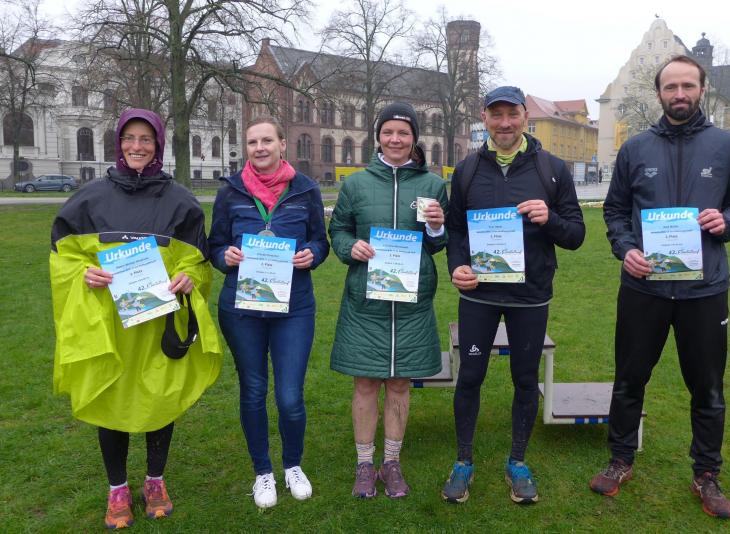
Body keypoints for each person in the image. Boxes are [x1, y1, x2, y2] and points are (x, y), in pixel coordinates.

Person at [589, 55, 730, 520]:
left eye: (688, 86)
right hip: (645, 288)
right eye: (671, 87)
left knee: (708, 388)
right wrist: (626, 249)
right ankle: (621, 459)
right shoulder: (636, 148)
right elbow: (615, 211)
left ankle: (706, 473)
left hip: (704, 289)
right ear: (659, 93)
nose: (679, 94)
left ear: (702, 89)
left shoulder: (726, 145)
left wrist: (726, 221)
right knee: (629, 379)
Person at [50, 109, 222, 529]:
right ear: (119, 143)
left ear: (158, 144)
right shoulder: (88, 200)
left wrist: (188, 277)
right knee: (112, 401)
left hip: (158, 325)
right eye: (130, 138)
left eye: (146, 139)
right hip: (109, 327)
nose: (137, 146)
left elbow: (198, 263)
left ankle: (155, 481)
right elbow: (63, 258)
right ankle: (118, 489)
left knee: (160, 398)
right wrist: (83, 273)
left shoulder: (180, 201)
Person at [442, 86, 585, 504]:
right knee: (470, 377)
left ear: (525, 117)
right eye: (496, 114)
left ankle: (517, 462)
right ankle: (463, 461)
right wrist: (457, 266)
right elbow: (455, 229)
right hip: (479, 296)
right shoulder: (467, 170)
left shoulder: (552, 169)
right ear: (484, 118)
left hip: (530, 296)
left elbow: (576, 234)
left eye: (512, 114)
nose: (504, 123)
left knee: (525, 378)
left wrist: (549, 218)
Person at [208, 116, 329, 509]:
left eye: (266, 141)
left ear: (282, 144)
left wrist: (313, 254)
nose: (259, 148)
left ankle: (292, 465)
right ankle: (262, 471)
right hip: (242, 309)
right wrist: (224, 256)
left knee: (290, 396)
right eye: (252, 142)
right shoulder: (230, 191)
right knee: (254, 390)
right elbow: (214, 244)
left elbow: (320, 240)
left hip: (294, 308)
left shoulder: (305, 189)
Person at [329, 102, 448, 499]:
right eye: (388, 132)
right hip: (366, 302)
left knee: (399, 383)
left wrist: (436, 227)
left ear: (414, 138)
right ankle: (365, 464)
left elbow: (439, 243)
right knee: (365, 382)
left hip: (412, 304)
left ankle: (391, 462)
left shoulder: (432, 185)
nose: (395, 139)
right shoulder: (356, 185)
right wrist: (351, 247)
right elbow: (338, 231)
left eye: (403, 132)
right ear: (378, 137)